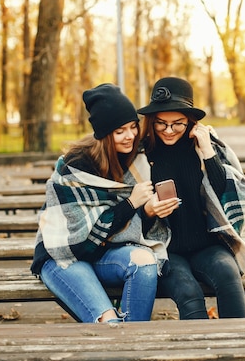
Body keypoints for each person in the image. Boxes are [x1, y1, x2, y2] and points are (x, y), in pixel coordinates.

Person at [30, 83, 176, 323]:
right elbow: (79, 243)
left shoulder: (134, 159)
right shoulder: (75, 167)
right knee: (110, 323)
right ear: (105, 135)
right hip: (64, 257)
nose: (130, 135)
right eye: (120, 131)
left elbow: (171, 139)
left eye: (132, 127)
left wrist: (147, 211)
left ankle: (136, 340)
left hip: (106, 253)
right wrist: (130, 204)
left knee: (145, 261)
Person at [137, 76, 245, 320]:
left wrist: (208, 152)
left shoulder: (206, 147)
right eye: (160, 124)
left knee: (228, 275)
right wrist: (150, 211)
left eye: (177, 124)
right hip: (166, 248)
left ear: (191, 122)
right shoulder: (140, 155)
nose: (168, 131)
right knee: (188, 291)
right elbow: (130, 215)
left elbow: (226, 192)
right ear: (151, 122)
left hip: (207, 245)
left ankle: (237, 349)